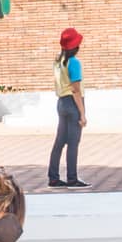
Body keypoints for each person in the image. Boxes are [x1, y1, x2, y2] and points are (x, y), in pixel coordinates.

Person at [47, 27, 87, 188]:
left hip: (61, 102)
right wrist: (82, 114)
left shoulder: (57, 61)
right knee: (73, 143)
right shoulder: (74, 62)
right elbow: (76, 89)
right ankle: (72, 178)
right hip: (72, 103)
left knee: (59, 142)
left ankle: (53, 178)